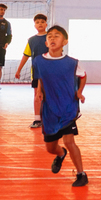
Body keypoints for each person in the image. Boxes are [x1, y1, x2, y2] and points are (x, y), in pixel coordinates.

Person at [33, 25, 88, 187]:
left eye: (57, 36)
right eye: (49, 36)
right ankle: (60, 153)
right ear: (46, 42)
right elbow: (40, 77)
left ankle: (81, 174)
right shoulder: (38, 61)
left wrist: (79, 92)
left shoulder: (72, 63)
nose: (52, 38)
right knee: (50, 148)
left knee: (69, 141)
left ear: (64, 42)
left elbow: (83, 76)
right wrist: (39, 90)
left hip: (68, 107)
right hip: (49, 109)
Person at [14, 13, 50, 129]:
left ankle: (49, 118)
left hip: (50, 71)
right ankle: (37, 119)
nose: (40, 24)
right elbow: (26, 55)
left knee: (49, 95)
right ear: (34, 25)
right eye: (37, 22)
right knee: (37, 95)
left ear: (46, 24)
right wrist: (19, 69)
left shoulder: (51, 37)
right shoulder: (31, 40)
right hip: (36, 72)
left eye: (42, 22)